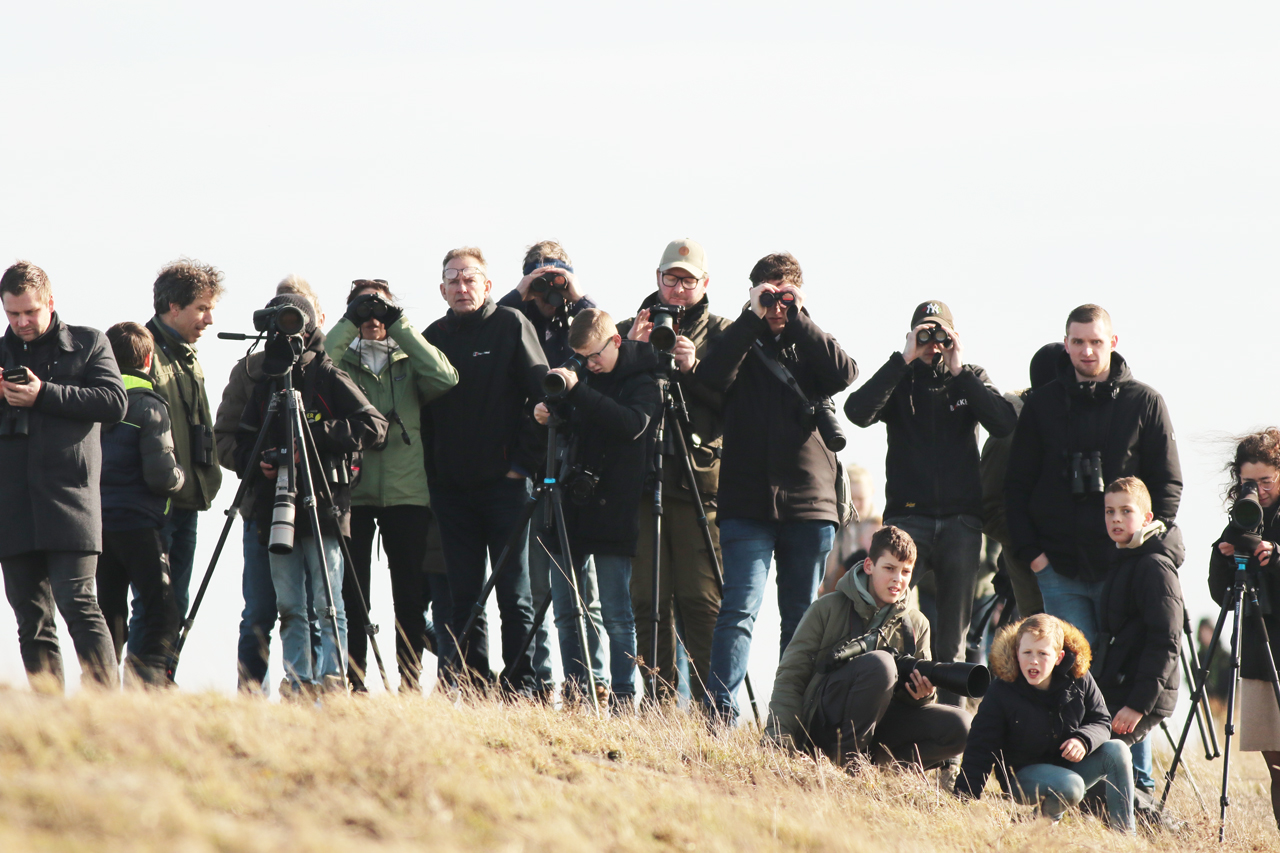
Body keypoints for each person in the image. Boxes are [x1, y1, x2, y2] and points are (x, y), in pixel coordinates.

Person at [699, 252, 859, 722]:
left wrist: (799, 317)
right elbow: (710, 378)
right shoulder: (737, 339)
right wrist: (752, 317)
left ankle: (789, 723)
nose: (776, 307)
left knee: (802, 619)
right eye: (767, 296)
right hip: (746, 502)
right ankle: (719, 717)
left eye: (783, 296)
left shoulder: (810, 341)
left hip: (810, 503)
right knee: (737, 610)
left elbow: (845, 373)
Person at [844, 300, 1016, 702]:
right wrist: (902, 359)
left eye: (940, 335)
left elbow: (1003, 423)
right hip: (908, 522)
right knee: (880, 619)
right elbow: (857, 412)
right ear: (911, 336)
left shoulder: (969, 378)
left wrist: (960, 369)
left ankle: (952, 732)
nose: (932, 343)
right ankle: (875, 712)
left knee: (952, 644)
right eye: (924, 334)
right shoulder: (900, 379)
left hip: (961, 524)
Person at [234, 295, 388, 697]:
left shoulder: (327, 374)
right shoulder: (267, 382)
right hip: (277, 505)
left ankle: (333, 678)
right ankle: (298, 680)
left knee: (327, 600)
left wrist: (312, 438)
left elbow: (374, 425)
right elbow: (241, 443)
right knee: (289, 605)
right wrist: (262, 460)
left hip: (324, 504)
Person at [1005, 304, 1182, 645]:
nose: (1087, 351)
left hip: (1124, 565)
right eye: (1078, 342)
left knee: (1122, 663)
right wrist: (1034, 556)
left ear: (1113, 342)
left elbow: (1168, 483)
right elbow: (1016, 485)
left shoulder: (1144, 402)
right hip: (1057, 569)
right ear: (1066, 343)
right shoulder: (1042, 405)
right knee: (1073, 668)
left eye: (1096, 342)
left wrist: (1144, 548)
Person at [423, 247, 547, 694]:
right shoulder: (431, 337)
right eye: (453, 280)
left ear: (487, 285)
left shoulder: (511, 325)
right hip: (451, 491)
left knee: (515, 596)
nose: (462, 287)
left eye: (470, 278)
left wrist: (521, 465)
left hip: (505, 487)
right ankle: (475, 689)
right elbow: (420, 414)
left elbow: (545, 399)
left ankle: (521, 688)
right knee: (464, 598)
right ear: (442, 289)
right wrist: (434, 475)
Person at [325, 279, 458, 692]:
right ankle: (355, 682)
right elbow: (314, 367)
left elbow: (446, 377)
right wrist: (349, 321)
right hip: (354, 489)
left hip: (406, 491)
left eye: (380, 308)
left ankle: (409, 682)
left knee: (411, 597)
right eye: (363, 309)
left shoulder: (408, 359)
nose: (372, 317)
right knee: (353, 595)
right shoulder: (340, 361)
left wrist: (399, 324)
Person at [0, 260, 126, 690]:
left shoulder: (90, 343)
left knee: (79, 604)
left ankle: (105, 705)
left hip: (71, 500)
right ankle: (50, 715)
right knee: (31, 619)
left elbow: (114, 402)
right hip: (12, 504)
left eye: (30, 312)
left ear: (50, 303)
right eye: (12, 313)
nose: (21, 322)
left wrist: (43, 394)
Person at [619, 237, 731, 706]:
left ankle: (711, 711)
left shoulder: (724, 334)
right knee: (647, 602)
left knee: (702, 603)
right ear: (658, 279)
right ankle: (660, 706)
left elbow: (738, 404)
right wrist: (631, 352)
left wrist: (695, 368)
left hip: (698, 485)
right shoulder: (628, 331)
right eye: (671, 278)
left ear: (704, 283)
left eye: (688, 280)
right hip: (642, 485)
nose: (678, 289)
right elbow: (604, 400)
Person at [532, 309, 659, 709]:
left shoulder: (645, 380)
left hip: (615, 511)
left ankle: (622, 697)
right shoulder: (582, 376)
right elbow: (573, 423)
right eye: (582, 358)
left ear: (616, 341)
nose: (589, 364)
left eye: (594, 355)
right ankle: (576, 692)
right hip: (570, 505)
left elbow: (630, 424)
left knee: (617, 614)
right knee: (566, 609)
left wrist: (575, 393)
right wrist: (547, 412)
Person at [765, 526, 971, 768]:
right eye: (889, 568)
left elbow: (917, 708)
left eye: (906, 571)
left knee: (962, 726)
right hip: (824, 727)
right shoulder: (827, 607)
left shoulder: (917, 624)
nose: (898, 579)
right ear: (869, 566)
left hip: (879, 730)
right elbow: (791, 675)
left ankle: (880, 767)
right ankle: (847, 762)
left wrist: (923, 696)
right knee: (881, 664)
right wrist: (780, 740)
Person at [499, 241, 604, 700]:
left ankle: (590, 684)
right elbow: (489, 325)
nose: (547, 289)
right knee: (533, 586)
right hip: (526, 463)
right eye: (537, 278)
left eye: (554, 277)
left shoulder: (577, 320)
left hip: (576, 464)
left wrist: (578, 296)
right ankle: (540, 684)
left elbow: (604, 340)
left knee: (580, 588)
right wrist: (520, 291)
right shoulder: (511, 322)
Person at [214, 275, 324, 693]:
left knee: (314, 610)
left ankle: (310, 693)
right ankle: (250, 696)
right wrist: (254, 461)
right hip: (260, 507)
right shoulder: (250, 370)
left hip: (314, 508)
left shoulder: (324, 369)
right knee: (259, 611)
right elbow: (223, 438)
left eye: (299, 314)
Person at [955, 614, 1134, 834]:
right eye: (1027, 653)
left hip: (1068, 767)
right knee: (1071, 786)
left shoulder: (1079, 677)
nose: (1033, 660)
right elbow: (981, 745)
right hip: (1022, 776)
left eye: (1042, 654)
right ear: (1017, 653)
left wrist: (1083, 740)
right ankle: (1043, 825)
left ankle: (1125, 836)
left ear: (1059, 657)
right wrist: (963, 798)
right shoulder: (1002, 689)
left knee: (1117, 750)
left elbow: (1102, 720)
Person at [134, 259, 225, 653]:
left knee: (177, 603)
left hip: (186, 500)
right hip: (155, 504)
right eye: (201, 309)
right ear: (173, 307)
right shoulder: (141, 352)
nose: (209, 319)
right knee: (154, 603)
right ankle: (143, 681)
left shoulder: (187, 355)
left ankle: (162, 677)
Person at [96, 322, 185, 687]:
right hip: (139, 525)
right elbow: (161, 477)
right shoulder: (150, 406)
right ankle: (148, 682)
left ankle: (98, 685)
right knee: (163, 609)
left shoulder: (92, 405)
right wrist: (181, 477)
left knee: (109, 613)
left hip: (98, 525)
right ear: (148, 360)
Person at [1095, 476, 1183, 800]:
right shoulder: (1124, 557)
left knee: (1100, 757)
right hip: (1121, 684)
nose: (1116, 519)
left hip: (1144, 694)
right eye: (1109, 511)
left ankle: (1149, 819)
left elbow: (1166, 641)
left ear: (1147, 518)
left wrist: (1136, 705)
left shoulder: (1154, 565)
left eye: (1126, 511)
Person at [1209, 428, 1280, 828]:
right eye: (1249, 483)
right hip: (1258, 653)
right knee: (1276, 763)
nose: (1259, 491)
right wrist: (1225, 557)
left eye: (1266, 481)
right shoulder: (1241, 519)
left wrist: (1276, 556)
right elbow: (1220, 593)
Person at [978, 343, 1063, 619]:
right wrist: (1031, 543)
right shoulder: (1009, 433)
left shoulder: (1074, 422)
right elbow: (988, 508)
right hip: (1033, 578)